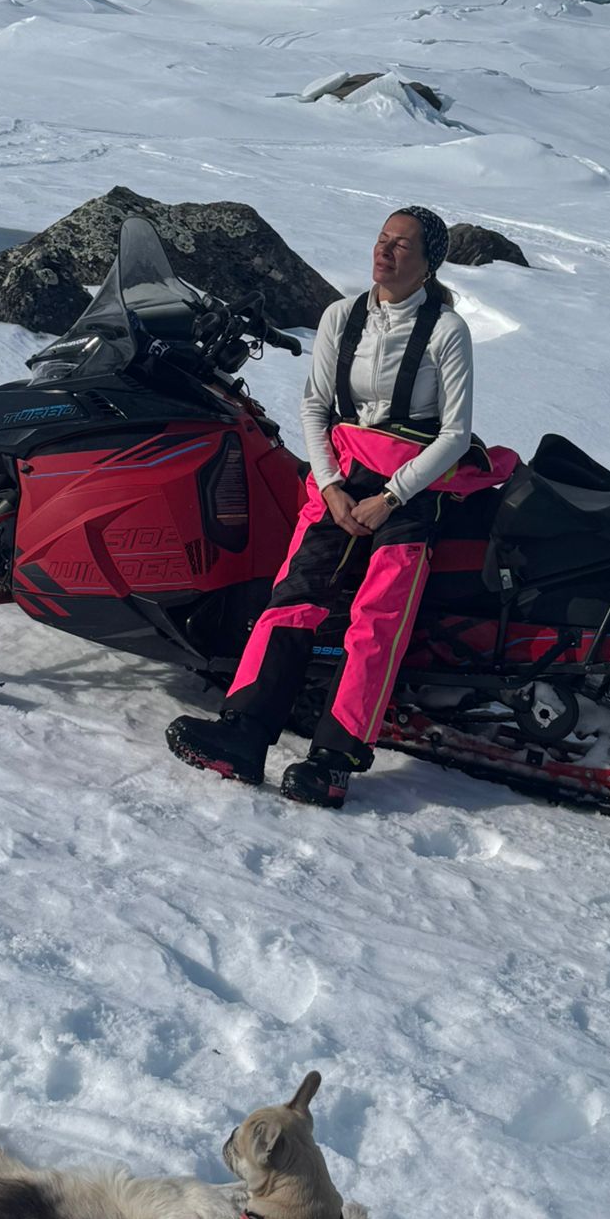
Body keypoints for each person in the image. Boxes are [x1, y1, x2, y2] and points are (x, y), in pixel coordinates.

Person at [167, 205, 495, 810]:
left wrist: (390, 497)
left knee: (377, 622)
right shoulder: (340, 317)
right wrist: (331, 486)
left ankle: (333, 761)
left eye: (402, 245)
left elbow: (454, 434)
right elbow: (317, 406)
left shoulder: (447, 332)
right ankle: (243, 733)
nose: (385, 252)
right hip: (342, 480)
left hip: (411, 489)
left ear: (428, 264)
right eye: (382, 239)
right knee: (293, 601)